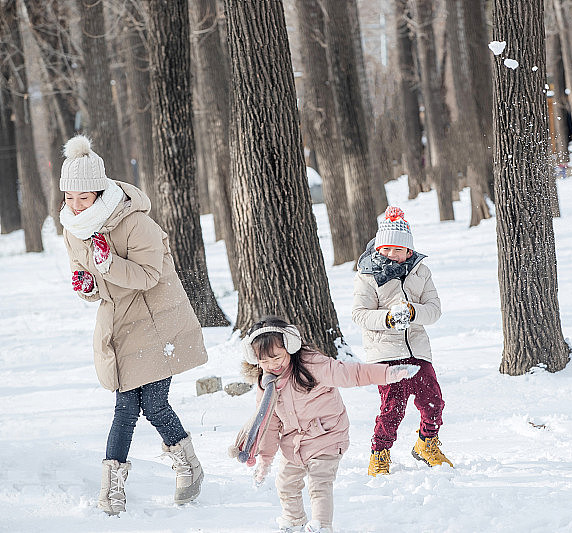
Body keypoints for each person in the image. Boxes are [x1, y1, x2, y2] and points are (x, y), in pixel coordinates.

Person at [60, 135, 207, 515]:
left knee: (154, 405)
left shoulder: (134, 222)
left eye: (83, 198)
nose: (75, 206)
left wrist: (108, 265)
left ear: (99, 191)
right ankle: (112, 488)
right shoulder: (72, 230)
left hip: (158, 323)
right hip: (120, 326)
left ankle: (188, 466)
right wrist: (87, 285)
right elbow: (89, 279)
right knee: (125, 406)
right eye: (69, 197)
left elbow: (149, 276)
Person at [229, 316, 419, 533]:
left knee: (319, 483)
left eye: (277, 357)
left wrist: (386, 374)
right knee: (286, 484)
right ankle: (294, 521)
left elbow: (351, 373)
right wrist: (265, 457)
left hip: (327, 435)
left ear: (290, 346)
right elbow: (269, 421)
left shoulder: (313, 365)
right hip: (295, 442)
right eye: (264, 361)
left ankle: (321, 525)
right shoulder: (267, 382)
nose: (272, 365)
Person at [352, 206, 452, 476]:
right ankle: (380, 453)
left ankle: (426, 443)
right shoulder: (367, 275)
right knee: (392, 407)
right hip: (385, 352)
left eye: (398, 250)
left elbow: (434, 309)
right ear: (378, 249)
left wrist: (412, 312)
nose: (392, 255)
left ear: (409, 251)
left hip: (417, 349)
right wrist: (387, 319)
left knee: (433, 401)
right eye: (386, 249)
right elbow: (359, 315)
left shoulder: (421, 272)